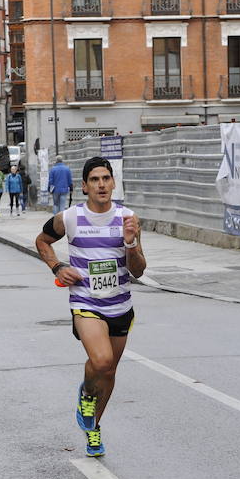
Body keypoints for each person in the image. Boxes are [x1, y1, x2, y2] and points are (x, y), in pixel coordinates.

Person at [34, 156, 146, 457]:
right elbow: (42, 240)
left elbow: (139, 271)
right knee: (101, 360)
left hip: (121, 304)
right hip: (85, 302)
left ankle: (93, 429)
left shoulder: (128, 218)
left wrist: (131, 243)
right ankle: (85, 393)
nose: (101, 184)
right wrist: (57, 267)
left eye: (105, 179)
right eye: (94, 180)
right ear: (84, 186)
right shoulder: (69, 217)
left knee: (108, 371)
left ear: (113, 182)